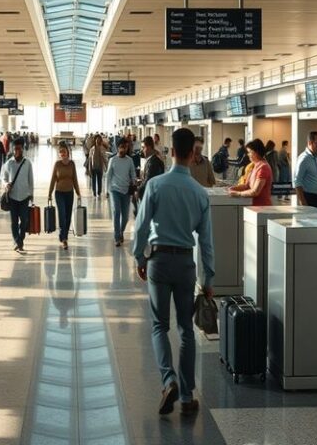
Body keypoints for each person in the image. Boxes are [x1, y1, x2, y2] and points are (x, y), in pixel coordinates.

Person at [132, 128, 214, 416]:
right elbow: (206, 242)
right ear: (193, 153)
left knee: (159, 325)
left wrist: (138, 257)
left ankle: (168, 380)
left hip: (158, 261)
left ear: (170, 151)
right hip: (185, 265)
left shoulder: (155, 185)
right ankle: (188, 395)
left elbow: (141, 226)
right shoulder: (199, 193)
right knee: (186, 329)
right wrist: (209, 279)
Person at [2, 137, 34, 254]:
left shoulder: (27, 163)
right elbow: (3, 177)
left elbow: (31, 180)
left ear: (22, 149)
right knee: (14, 222)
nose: (17, 151)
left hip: (24, 196)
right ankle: (17, 242)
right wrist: (6, 184)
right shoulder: (9, 163)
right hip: (12, 197)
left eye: (19, 149)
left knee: (24, 221)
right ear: (12, 149)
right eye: (15, 149)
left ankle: (20, 239)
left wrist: (31, 195)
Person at [48, 143, 82, 250]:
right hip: (59, 193)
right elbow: (53, 179)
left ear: (68, 152)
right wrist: (49, 193)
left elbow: (75, 179)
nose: (62, 153)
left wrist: (78, 192)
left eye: (64, 151)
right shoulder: (57, 164)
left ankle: (64, 235)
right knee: (62, 215)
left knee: (67, 216)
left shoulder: (72, 164)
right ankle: (64, 239)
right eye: (60, 151)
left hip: (69, 193)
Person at [106, 138, 136, 246]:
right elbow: (108, 176)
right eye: (122, 147)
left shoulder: (129, 160)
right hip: (114, 190)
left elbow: (133, 174)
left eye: (125, 147)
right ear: (118, 148)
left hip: (126, 191)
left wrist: (134, 183)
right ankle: (117, 237)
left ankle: (121, 232)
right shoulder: (112, 160)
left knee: (126, 217)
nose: (124, 149)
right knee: (116, 212)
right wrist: (107, 190)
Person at [229, 139, 273, 206]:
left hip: (262, 207)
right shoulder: (254, 166)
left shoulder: (263, 168)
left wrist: (238, 194)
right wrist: (232, 188)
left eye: (249, 152)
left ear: (256, 152)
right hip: (253, 206)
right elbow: (246, 186)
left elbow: (255, 192)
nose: (248, 154)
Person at [294, 131, 317, 209]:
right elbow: (297, 182)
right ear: (310, 143)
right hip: (309, 198)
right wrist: (304, 204)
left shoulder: (315, 157)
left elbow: (311, 176)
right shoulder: (304, 159)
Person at [137, 136, 166, 201]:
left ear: (149, 147)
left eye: (143, 147)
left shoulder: (153, 163)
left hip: (151, 198)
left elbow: (149, 181)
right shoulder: (153, 160)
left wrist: (138, 191)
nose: (142, 150)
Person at [88, 134, 108, 198]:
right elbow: (90, 159)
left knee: (100, 180)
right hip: (93, 167)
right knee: (93, 180)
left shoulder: (102, 149)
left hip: (100, 167)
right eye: (97, 140)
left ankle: (99, 192)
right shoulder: (92, 149)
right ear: (95, 141)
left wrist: (107, 167)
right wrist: (89, 168)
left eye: (99, 140)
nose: (98, 141)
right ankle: (94, 192)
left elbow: (105, 158)